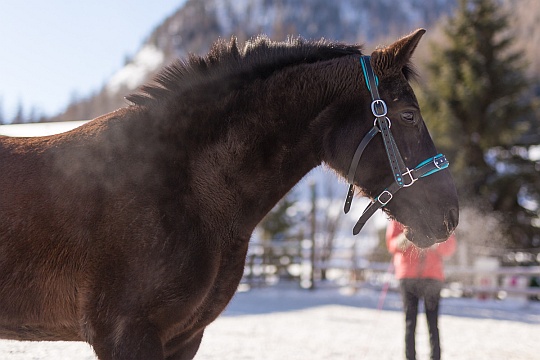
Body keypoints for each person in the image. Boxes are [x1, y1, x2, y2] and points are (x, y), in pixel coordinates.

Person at [386, 220, 456, 360]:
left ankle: (435, 357)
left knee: (433, 322)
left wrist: (432, 241)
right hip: (408, 276)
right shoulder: (400, 215)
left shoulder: (439, 215)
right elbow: (392, 245)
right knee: (410, 321)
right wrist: (409, 237)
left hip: (432, 276)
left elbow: (450, 247)